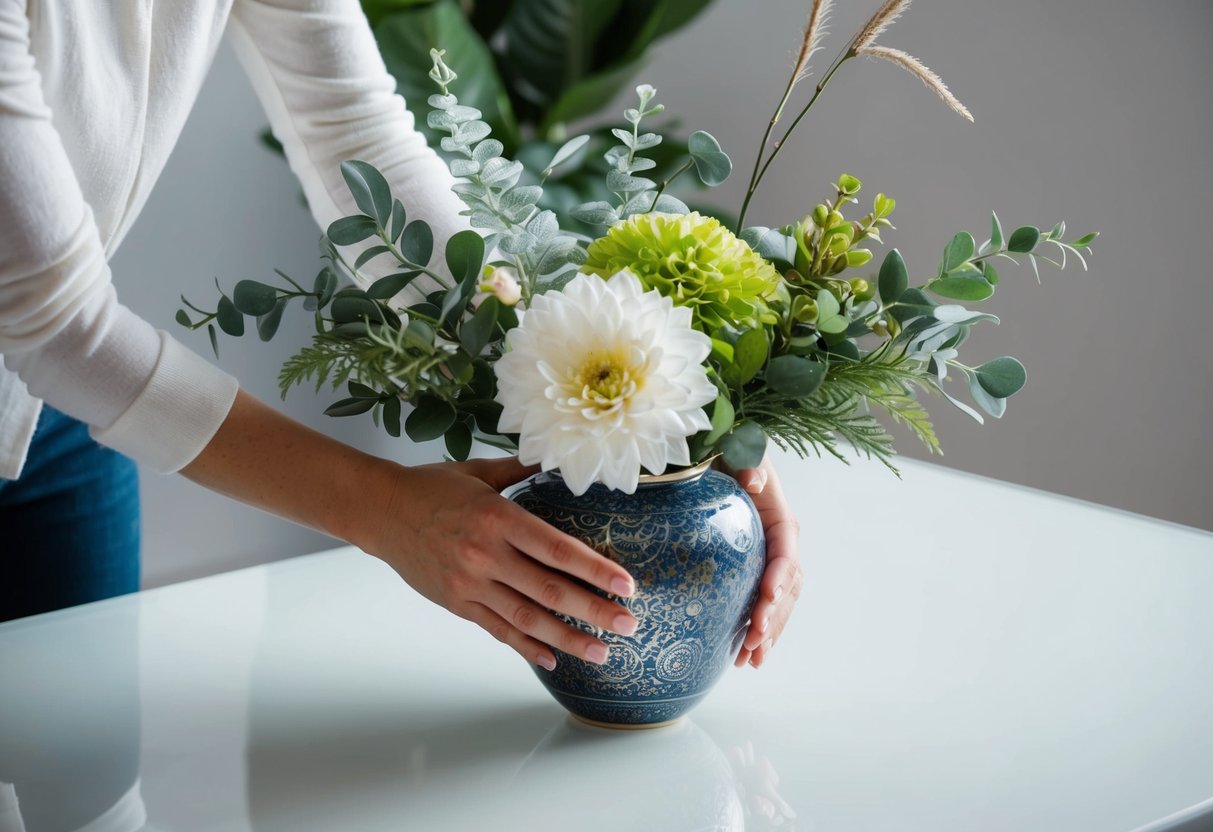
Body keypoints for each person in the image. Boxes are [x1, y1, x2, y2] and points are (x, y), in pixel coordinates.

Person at [0, 0, 802, 670]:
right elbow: (57, 326)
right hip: (66, 367)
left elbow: (353, 132)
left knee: (88, 787)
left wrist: (653, 401)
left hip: (50, 424)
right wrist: (389, 513)